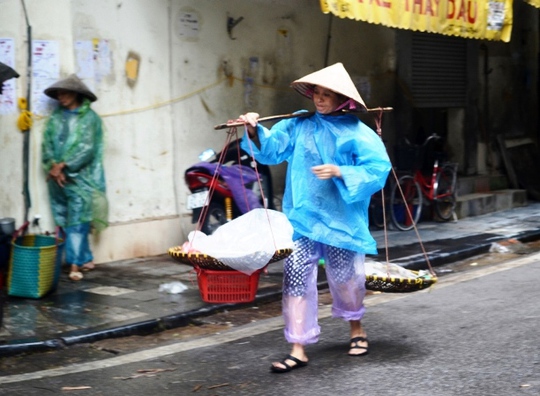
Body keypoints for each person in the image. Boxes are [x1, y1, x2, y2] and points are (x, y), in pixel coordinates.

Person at [239, 62, 391, 373]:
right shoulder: (298, 125)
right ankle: (298, 347)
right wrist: (254, 129)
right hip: (304, 219)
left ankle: (356, 330)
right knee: (295, 280)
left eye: (327, 95)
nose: (319, 100)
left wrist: (341, 171)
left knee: (346, 279)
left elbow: (378, 169)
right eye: (316, 94)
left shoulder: (357, 133)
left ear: (342, 100)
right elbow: (271, 149)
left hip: (341, 221)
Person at [42, 74, 108, 281]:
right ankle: (85, 257)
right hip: (57, 178)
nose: (61, 97)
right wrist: (53, 165)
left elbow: (86, 149)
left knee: (78, 220)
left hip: (81, 178)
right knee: (64, 217)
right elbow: (47, 144)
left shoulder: (90, 118)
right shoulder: (56, 117)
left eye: (65, 93)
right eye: (59, 94)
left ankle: (74, 264)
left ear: (76, 94)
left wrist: (64, 166)